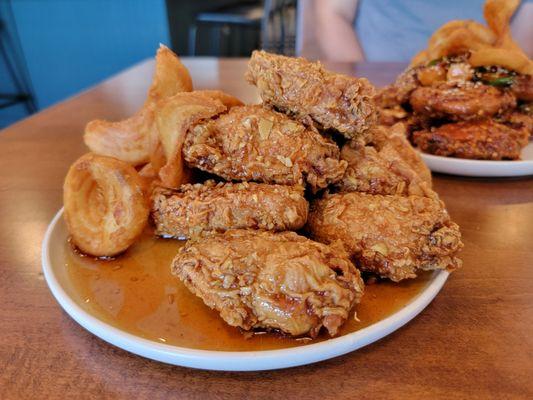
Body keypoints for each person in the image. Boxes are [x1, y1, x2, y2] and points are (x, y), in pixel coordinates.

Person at [311, 0, 533, 62]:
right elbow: (332, 14)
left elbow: (524, 39)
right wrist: (361, 87)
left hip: (480, 84)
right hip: (376, 82)